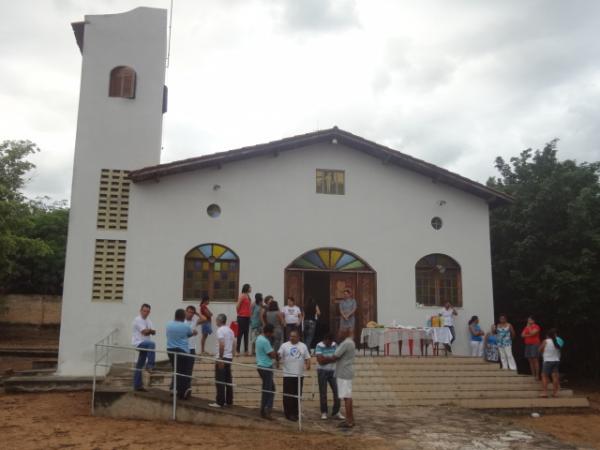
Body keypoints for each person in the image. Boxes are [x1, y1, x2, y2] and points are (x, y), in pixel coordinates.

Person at [322, 327, 356, 429]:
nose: (339, 333)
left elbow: (335, 356)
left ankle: (349, 421)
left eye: (341, 331)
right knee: (347, 396)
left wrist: (324, 360)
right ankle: (350, 419)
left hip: (344, 372)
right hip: (346, 371)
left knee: (346, 397)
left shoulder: (346, 343)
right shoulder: (350, 342)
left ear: (346, 332)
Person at [278, 329, 310, 421]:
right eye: (291, 336)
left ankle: (295, 413)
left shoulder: (303, 346)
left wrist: (308, 364)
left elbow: (307, 357)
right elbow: (279, 355)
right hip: (288, 374)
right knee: (288, 395)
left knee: (297, 395)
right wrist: (277, 357)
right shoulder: (284, 345)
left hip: (299, 375)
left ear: (298, 337)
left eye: (294, 336)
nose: (292, 338)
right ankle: (288, 413)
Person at [166, 309, 197, 399]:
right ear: (183, 317)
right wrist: (194, 333)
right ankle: (182, 393)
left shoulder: (168, 324)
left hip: (170, 350)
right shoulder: (185, 326)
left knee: (176, 370)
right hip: (182, 351)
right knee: (184, 372)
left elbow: (169, 335)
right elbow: (189, 334)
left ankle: (173, 389)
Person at [315, 333, 343, 420]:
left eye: (331, 343)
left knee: (337, 392)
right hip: (322, 371)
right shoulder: (319, 345)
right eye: (328, 343)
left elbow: (338, 357)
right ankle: (324, 412)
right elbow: (320, 361)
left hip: (333, 371)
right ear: (325, 340)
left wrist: (326, 358)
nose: (330, 344)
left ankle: (336, 411)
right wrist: (332, 358)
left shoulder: (335, 345)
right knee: (323, 393)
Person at [210, 313, 235, 408]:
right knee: (228, 380)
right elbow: (234, 343)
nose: (216, 321)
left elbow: (221, 344)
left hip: (222, 357)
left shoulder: (220, 330)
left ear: (220, 320)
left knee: (220, 380)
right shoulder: (230, 330)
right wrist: (232, 354)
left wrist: (220, 357)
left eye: (216, 319)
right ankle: (229, 401)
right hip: (229, 357)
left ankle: (220, 402)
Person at [131, 303, 156, 391]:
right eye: (144, 311)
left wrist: (149, 331)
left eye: (147, 311)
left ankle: (137, 385)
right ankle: (150, 365)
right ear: (141, 311)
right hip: (138, 342)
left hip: (145, 344)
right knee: (152, 344)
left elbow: (154, 332)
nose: (146, 313)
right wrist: (149, 331)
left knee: (139, 364)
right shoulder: (137, 319)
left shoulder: (149, 320)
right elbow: (145, 332)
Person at [255, 323, 277, 419]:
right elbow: (271, 354)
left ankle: (265, 409)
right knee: (269, 390)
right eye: (271, 333)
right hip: (266, 367)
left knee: (269, 388)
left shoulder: (259, 338)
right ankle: (266, 410)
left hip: (261, 365)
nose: (272, 334)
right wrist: (276, 355)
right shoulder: (265, 341)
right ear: (268, 332)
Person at [539, 328, 563, 398]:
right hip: (556, 361)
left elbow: (540, 349)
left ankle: (545, 392)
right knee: (555, 377)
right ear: (555, 335)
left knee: (544, 376)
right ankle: (555, 393)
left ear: (548, 335)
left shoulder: (546, 341)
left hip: (548, 361)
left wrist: (543, 351)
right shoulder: (558, 342)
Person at [236, 284, 252, 355]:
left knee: (246, 334)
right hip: (242, 317)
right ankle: (237, 351)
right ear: (247, 288)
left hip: (247, 317)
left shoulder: (248, 296)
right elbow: (237, 306)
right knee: (240, 334)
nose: (251, 288)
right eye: (250, 287)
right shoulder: (242, 295)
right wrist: (239, 314)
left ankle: (246, 351)